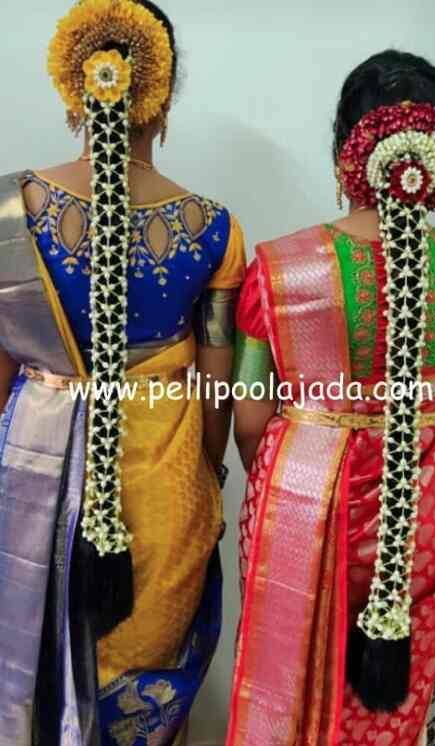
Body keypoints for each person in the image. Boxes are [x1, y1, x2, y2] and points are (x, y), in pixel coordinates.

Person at [229, 50, 435, 746]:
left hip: (298, 500)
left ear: (342, 156)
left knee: (286, 691)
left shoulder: (277, 272)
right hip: (420, 514)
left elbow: (250, 419)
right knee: (389, 708)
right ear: (432, 155)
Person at [0, 1, 245, 743]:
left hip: (34, 480)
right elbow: (216, 386)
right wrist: (209, 474)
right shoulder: (214, 227)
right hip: (166, 486)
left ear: (75, 89)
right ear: (161, 101)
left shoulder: (10, 210)